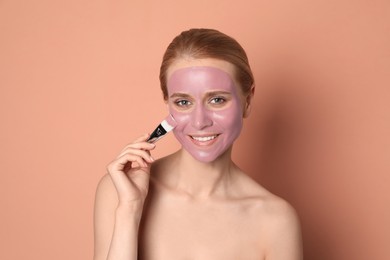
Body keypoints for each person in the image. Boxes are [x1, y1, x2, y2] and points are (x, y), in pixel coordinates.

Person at [93, 28, 303, 260]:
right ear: (168, 106)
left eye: (217, 100)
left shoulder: (275, 220)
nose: (200, 121)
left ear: (248, 100)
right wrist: (130, 210)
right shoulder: (119, 190)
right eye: (183, 102)